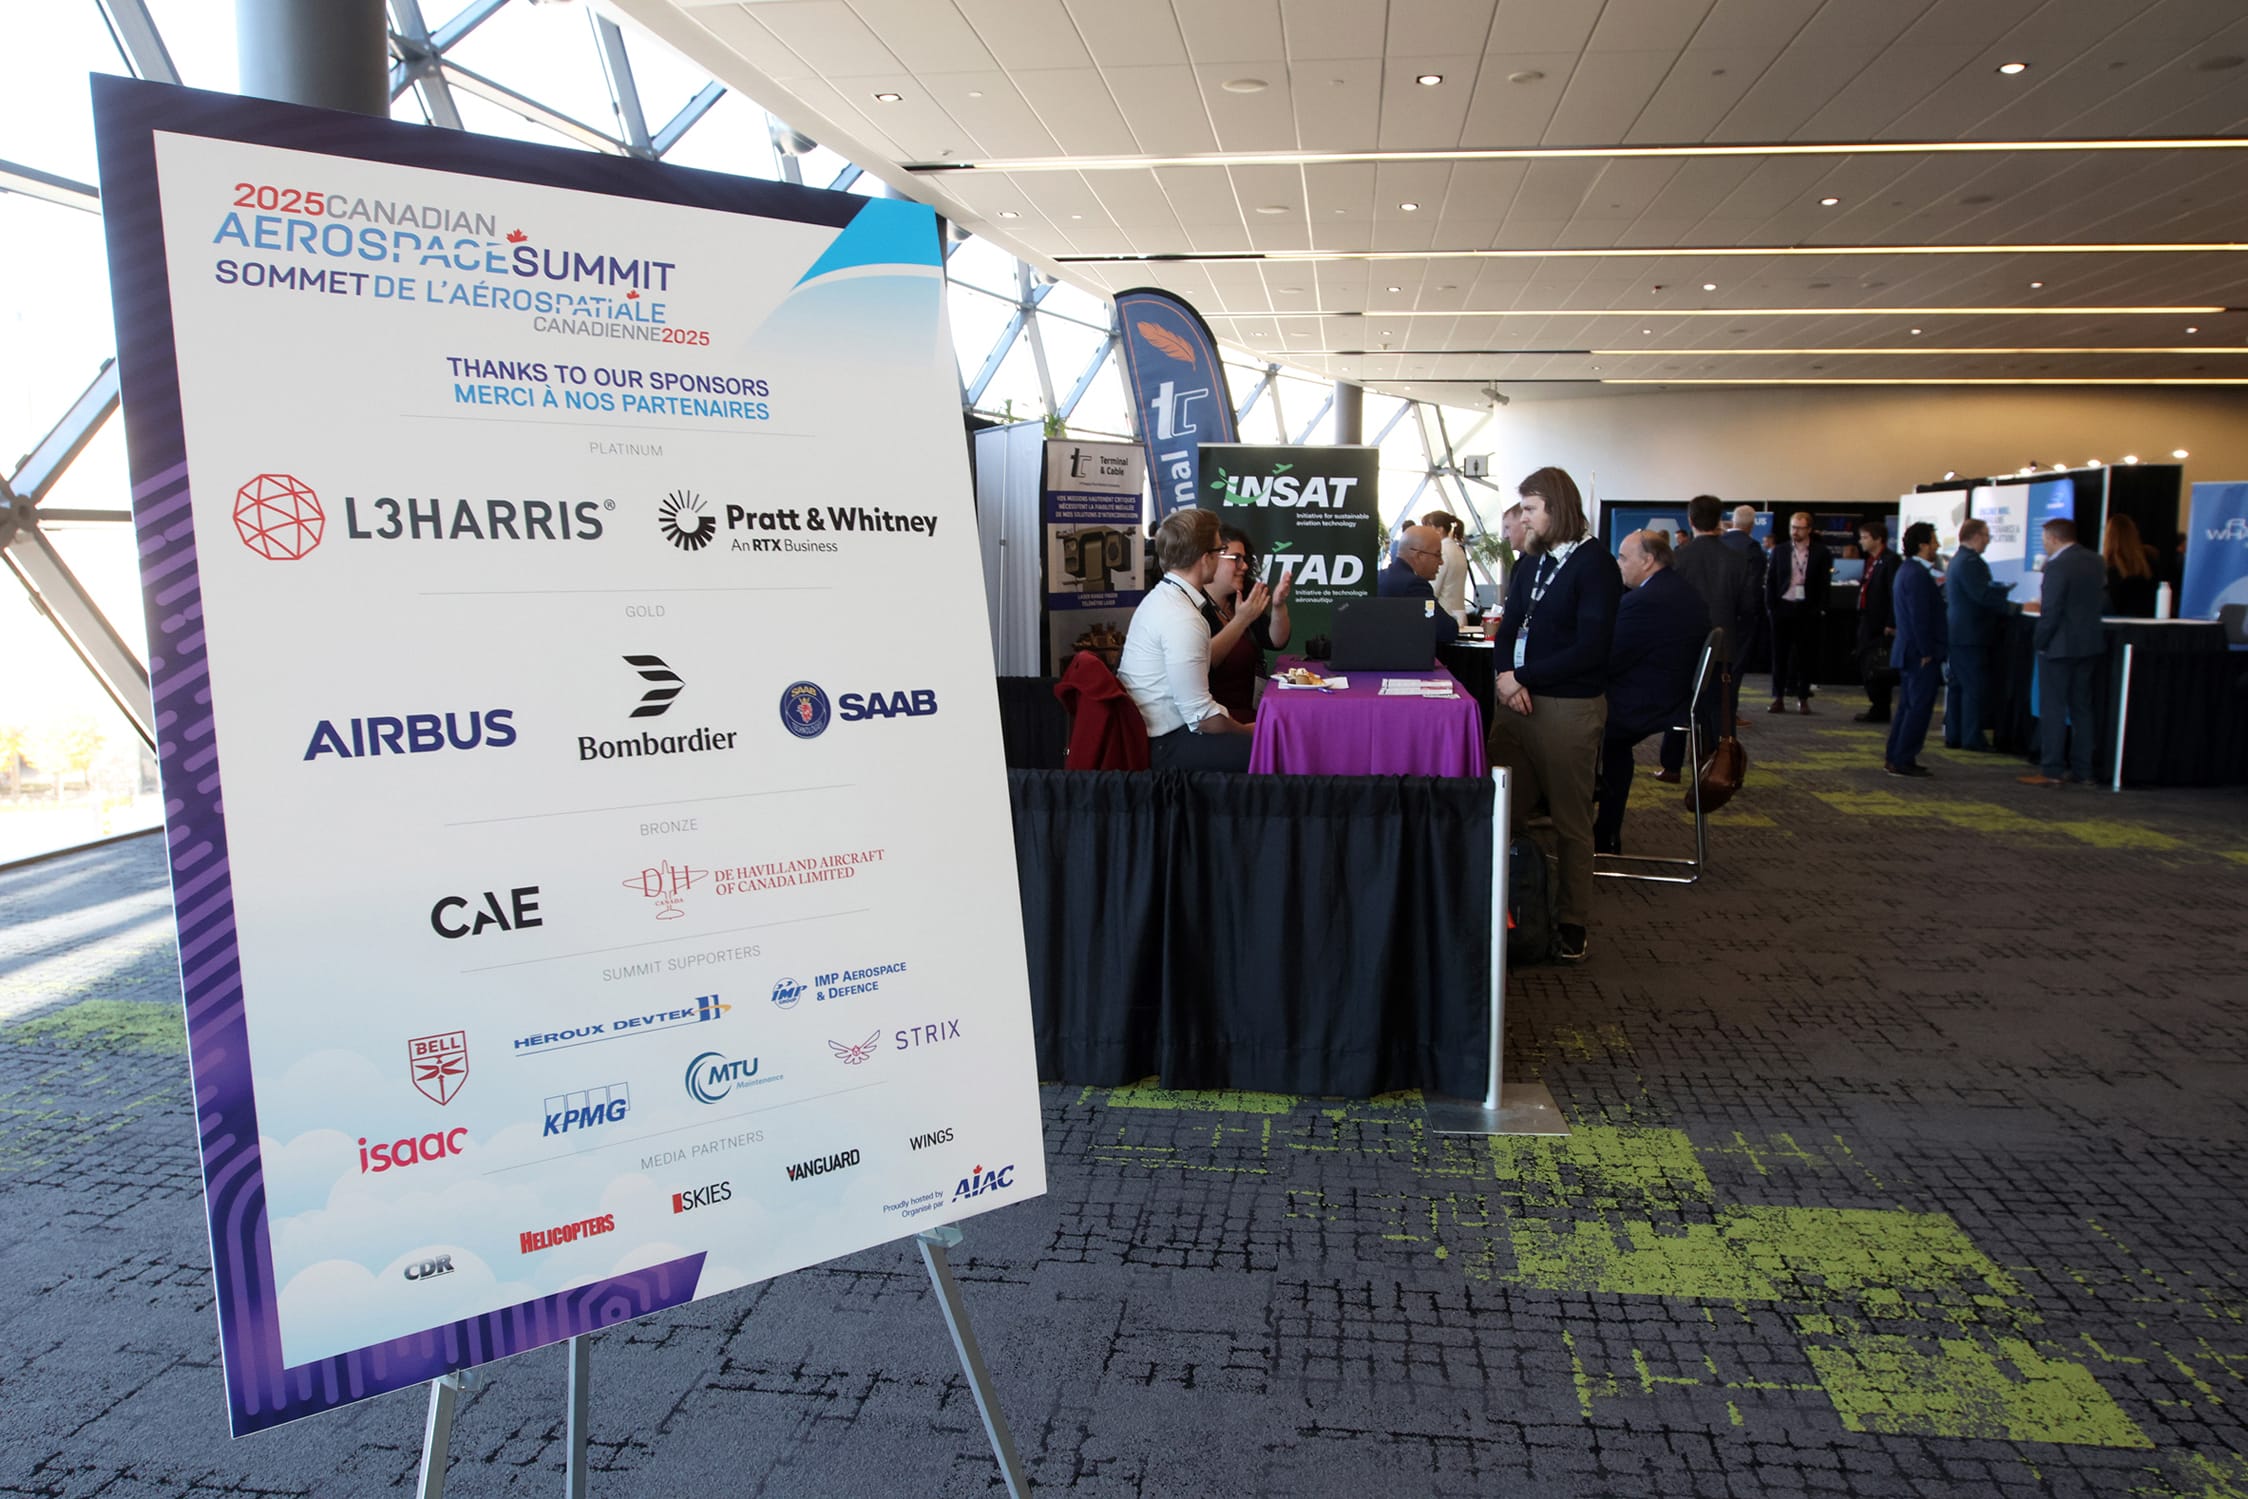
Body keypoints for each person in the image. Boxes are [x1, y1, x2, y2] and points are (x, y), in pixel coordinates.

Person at [1487, 467, 1623, 963]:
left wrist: (1523, 677)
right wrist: (1505, 677)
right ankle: (1500, 908)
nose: (1522, 519)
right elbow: (1507, 630)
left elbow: (1590, 649)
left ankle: (1572, 922)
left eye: (1530, 510)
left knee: (1570, 821)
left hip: (1568, 708)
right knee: (1498, 809)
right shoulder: (1532, 562)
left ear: (1556, 507)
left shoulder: (1596, 566)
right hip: (1515, 705)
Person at [1117, 507, 1266, 770]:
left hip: (1154, 735)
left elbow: (1204, 664)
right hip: (1166, 744)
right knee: (1271, 750)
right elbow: (1202, 717)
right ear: (1205, 558)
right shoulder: (1183, 617)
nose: (1222, 557)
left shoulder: (1162, 598)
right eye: (1220, 550)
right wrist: (1248, 730)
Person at [1594, 530, 1709, 855]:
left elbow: (1608, 658)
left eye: (1623, 557)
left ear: (1647, 561)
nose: (1619, 564)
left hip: (1651, 699)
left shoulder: (1647, 601)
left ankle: (1587, 823)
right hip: (1672, 693)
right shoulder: (1677, 590)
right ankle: (1604, 830)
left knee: (1575, 715)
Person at [1668, 494, 1760, 773]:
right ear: (1720, 520)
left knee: (1679, 702)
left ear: (1690, 520)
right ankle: (1718, 765)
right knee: (1720, 706)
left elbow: (1668, 601)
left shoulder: (1678, 557)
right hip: (1723, 644)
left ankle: (1672, 765)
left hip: (1683, 644)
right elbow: (1749, 606)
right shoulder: (1737, 559)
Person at [2020, 519, 2107, 788]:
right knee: (2082, 708)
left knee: (2054, 709)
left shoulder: (2057, 566)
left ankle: (2052, 770)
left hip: (2058, 648)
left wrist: (2040, 641)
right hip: (2089, 645)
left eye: (2044, 540)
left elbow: (2051, 611)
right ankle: (2084, 770)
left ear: (2053, 538)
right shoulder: (2096, 561)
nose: (2044, 545)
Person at [1206, 526, 1292, 722]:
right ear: (1211, 559)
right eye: (1236, 558)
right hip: (1218, 718)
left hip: (1252, 712)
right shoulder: (1194, 607)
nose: (1244, 566)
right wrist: (1241, 620)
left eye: (1245, 559)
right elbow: (1204, 662)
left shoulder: (1244, 597)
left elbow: (1276, 641)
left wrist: (1278, 605)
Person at [1942, 518, 2013, 751]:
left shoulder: (1958, 560)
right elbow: (1981, 595)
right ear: (1975, 536)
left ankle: (1955, 733)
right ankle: (1972, 737)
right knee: (1973, 687)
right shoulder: (1972, 563)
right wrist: (2013, 607)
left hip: (1959, 632)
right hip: (1971, 634)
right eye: (1986, 535)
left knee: (1958, 685)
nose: (1988, 541)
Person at [1883, 522, 1947, 778]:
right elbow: (1919, 617)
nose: (1937, 546)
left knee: (1908, 706)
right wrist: (1926, 651)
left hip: (1909, 650)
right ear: (1923, 545)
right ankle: (1903, 758)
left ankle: (1896, 756)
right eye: (1934, 541)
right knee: (1917, 708)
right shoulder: (1918, 575)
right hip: (1919, 653)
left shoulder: (1907, 570)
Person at [1764, 511, 1832, 714]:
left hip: (1807, 609)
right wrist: (1771, 607)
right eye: (1793, 527)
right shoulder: (1780, 550)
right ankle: (1778, 697)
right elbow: (1771, 580)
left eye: (1800, 528)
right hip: (1783, 606)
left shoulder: (1821, 552)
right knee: (1779, 655)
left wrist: (1819, 609)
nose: (1795, 532)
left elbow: (1824, 584)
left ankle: (1803, 697)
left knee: (1806, 656)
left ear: (1809, 529)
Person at [1378, 523, 1461, 648]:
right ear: (1419, 555)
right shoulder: (1414, 586)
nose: (1441, 562)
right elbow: (1446, 630)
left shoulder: (1380, 577)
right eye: (1437, 555)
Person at [1853, 520, 1901, 723]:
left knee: (1877, 664)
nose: (1861, 541)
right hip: (1868, 619)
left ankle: (1880, 707)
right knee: (1865, 662)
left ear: (1878, 539)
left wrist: (1891, 622)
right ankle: (1877, 705)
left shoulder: (1890, 561)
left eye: (1865, 537)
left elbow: (1894, 594)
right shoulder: (1872, 560)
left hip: (1881, 623)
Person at [2102, 513, 2161, 618]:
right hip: (2149, 622)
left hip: (2118, 625)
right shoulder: (2150, 561)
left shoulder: (2109, 570)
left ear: (2108, 538)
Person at [1422, 510, 1471, 623]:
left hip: (1445, 616)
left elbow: (1433, 590)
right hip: (1459, 614)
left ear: (1439, 530)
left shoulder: (1442, 552)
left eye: (1428, 528)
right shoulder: (1458, 550)